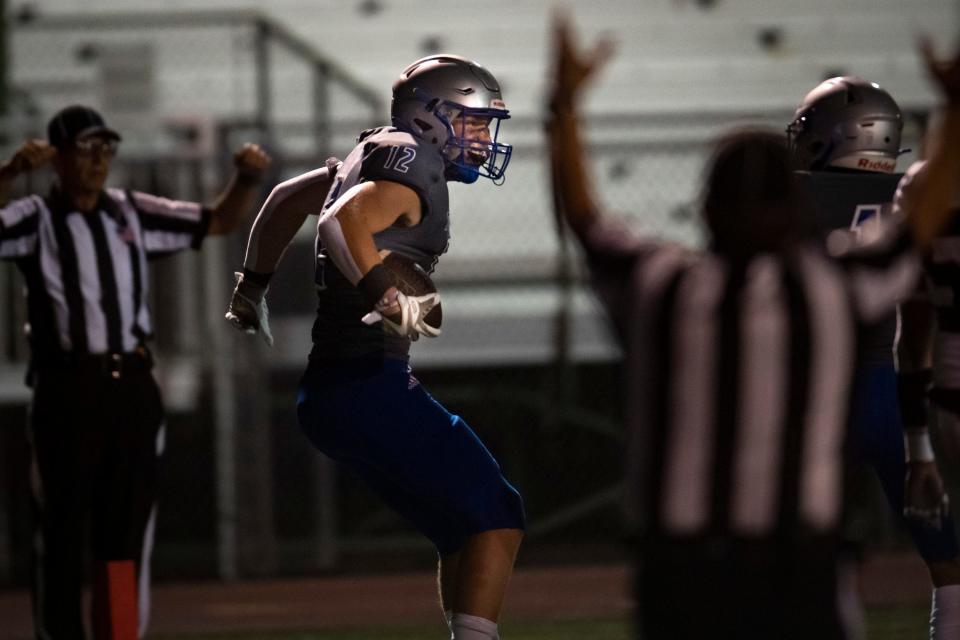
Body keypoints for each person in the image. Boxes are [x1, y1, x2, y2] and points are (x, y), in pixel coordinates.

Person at [546, 13, 960, 640]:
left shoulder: (665, 287)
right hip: (806, 545)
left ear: (707, 207)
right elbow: (922, 219)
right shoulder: (832, 289)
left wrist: (564, 106)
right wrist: (954, 106)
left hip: (679, 564)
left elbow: (584, 219)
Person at [226, 55, 525, 640]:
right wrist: (384, 291)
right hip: (370, 384)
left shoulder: (374, 154)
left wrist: (251, 285)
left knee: (461, 528)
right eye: (473, 123)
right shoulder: (410, 160)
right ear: (431, 118)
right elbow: (338, 222)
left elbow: (288, 197)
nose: (484, 139)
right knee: (499, 516)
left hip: (330, 392)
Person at [0, 104, 270, 639]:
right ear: (56, 158)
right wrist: (6, 175)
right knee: (61, 530)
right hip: (67, 388)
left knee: (125, 530)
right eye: (85, 148)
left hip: (131, 386)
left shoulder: (129, 211)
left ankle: (120, 632)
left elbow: (215, 220)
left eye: (106, 148)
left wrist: (247, 178)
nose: (99, 161)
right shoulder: (36, 217)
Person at [788, 75, 960, 637]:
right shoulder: (913, 196)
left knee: (813, 556)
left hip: (817, 394)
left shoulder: (793, 196)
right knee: (950, 565)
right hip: (905, 389)